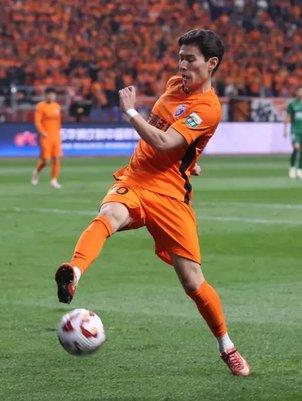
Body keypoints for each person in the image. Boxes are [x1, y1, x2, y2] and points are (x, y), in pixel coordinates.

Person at [54, 29, 250, 376]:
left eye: (190, 59)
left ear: (212, 63)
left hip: (170, 195)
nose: (182, 65)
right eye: (180, 57)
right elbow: (173, 137)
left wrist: (131, 112)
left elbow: (163, 141)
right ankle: (74, 272)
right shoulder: (175, 85)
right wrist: (190, 160)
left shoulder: (208, 108)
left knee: (193, 282)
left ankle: (227, 346)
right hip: (136, 178)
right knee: (109, 214)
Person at [31, 87, 63, 189]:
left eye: (53, 95)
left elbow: (58, 121)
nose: (51, 97)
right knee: (46, 160)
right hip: (46, 136)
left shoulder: (57, 106)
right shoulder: (40, 106)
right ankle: (36, 171)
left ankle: (54, 180)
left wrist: (59, 132)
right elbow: (37, 121)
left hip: (55, 136)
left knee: (56, 158)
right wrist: (42, 131)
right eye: (49, 95)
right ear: (45, 96)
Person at [285, 87, 302, 179]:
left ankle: (299, 170)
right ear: (296, 93)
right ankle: (292, 168)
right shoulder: (292, 104)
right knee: (296, 148)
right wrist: (285, 129)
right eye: (299, 92)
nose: (301, 93)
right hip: (295, 130)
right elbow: (288, 116)